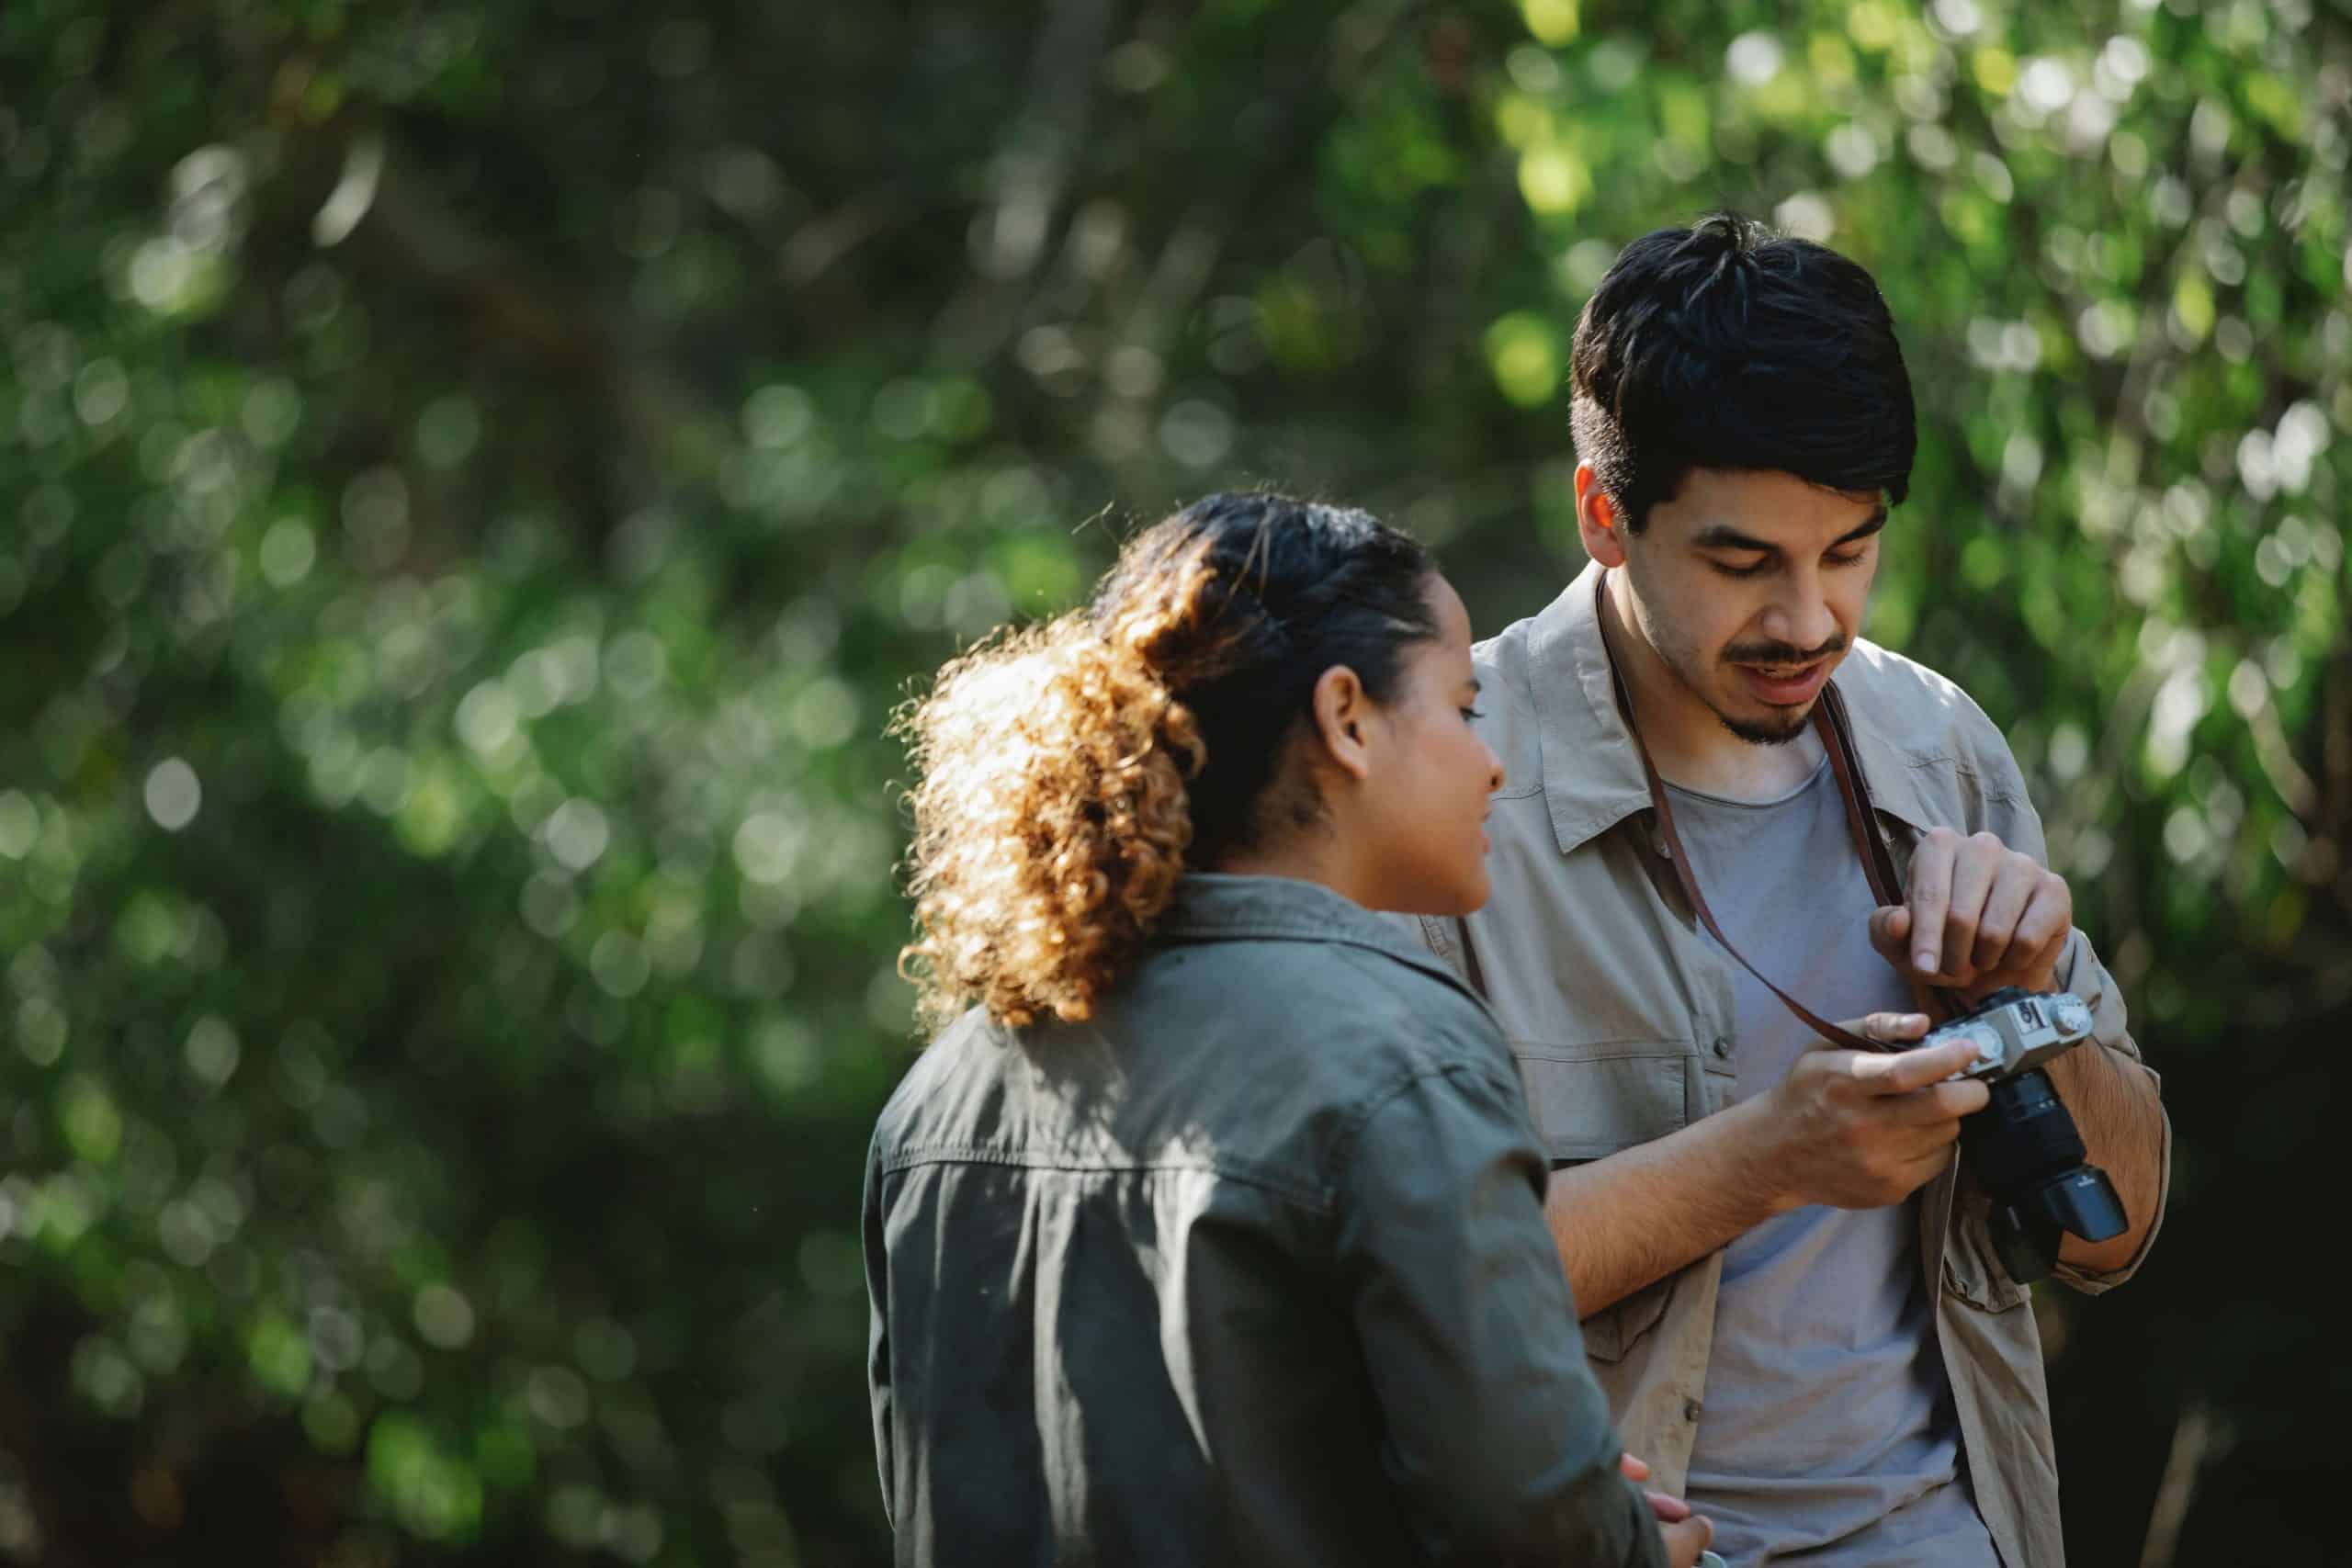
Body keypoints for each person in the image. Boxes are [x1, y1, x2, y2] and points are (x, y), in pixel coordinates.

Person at [1399, 216, 2171, 1568]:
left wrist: (2032, 1004)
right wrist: (1764, 1159)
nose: (1809, 619)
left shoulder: (1939, 745)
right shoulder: (1452, 787)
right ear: (1604, 517)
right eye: (1745, 562)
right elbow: (1402, 1286)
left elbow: (2121, 1234)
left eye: (1850, 551)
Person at [865, 491, 1713, 1567]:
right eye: (1461, 709)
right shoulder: (1401, 1053)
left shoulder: (943, 1090)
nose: (1488, 762)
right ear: (1347, 717)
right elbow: (1533, 1528)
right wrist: (1630, 1544)